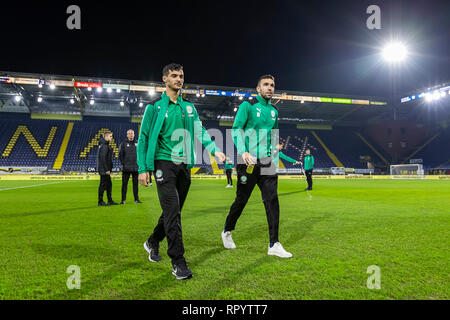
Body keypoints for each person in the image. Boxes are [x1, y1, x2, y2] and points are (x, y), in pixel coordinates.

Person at [137, 63, 226, 280]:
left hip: (184, 166)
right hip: (162, 164)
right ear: (164, 80)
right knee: (173, 213)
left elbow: (200, 131)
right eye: (174, 76)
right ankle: (178, 262)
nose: (179, 79)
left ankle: (152, 241)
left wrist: (214, 150)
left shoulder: (189, 108)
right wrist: (143, 168)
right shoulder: (155, 107)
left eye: (181, 76)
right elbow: (144, 138)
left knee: (172, 212)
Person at [221, 75, 294, 258]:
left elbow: (274, 136)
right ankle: (227, 230)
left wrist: (273, 158)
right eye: (266, 85)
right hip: (248, 161)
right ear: (258, 88)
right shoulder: (248, 105)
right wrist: (244, 152)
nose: (270, 88)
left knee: (272, 200)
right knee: (242, 200)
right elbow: (236, 129)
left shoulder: (274, 111)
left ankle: (274, 243)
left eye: (272, 85)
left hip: (267, 162)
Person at [119, 129, 144, 205]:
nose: (130, 134)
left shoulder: (138, 143)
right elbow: (120, 155)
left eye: (132, 133)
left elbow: (141, 154)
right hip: (126, 168)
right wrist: (124, 164)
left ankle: (136, 199)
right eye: (129, 133)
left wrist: (139, 164)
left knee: (135, 185)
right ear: (127, 135)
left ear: (134, 134)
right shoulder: (123, 143)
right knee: (124, 185)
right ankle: (123, 200)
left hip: (136, 168)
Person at [97, 131, 118, 206]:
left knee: (109, 185)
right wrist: (107, 169)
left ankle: (109, 200)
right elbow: (103, 158)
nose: (112, 138)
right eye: (110, 136)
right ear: (106, 137)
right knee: (103, 185)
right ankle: (100, 201)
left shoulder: (104, 145)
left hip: (104, 169)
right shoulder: (104, 146)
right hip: (104, 170)